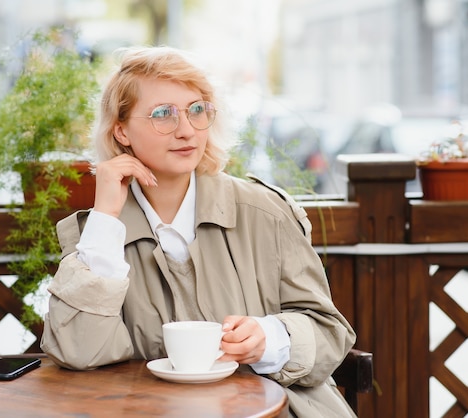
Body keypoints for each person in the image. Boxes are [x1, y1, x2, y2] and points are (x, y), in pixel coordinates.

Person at [41, 45, 357, 418]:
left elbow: (329, 332)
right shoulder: (97, 237)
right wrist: (107, 215)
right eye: (163, 115)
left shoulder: (265, 212)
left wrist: (268, 337)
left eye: (196, 110)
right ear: (121, 130)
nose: (186, 130)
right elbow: (79, 352)